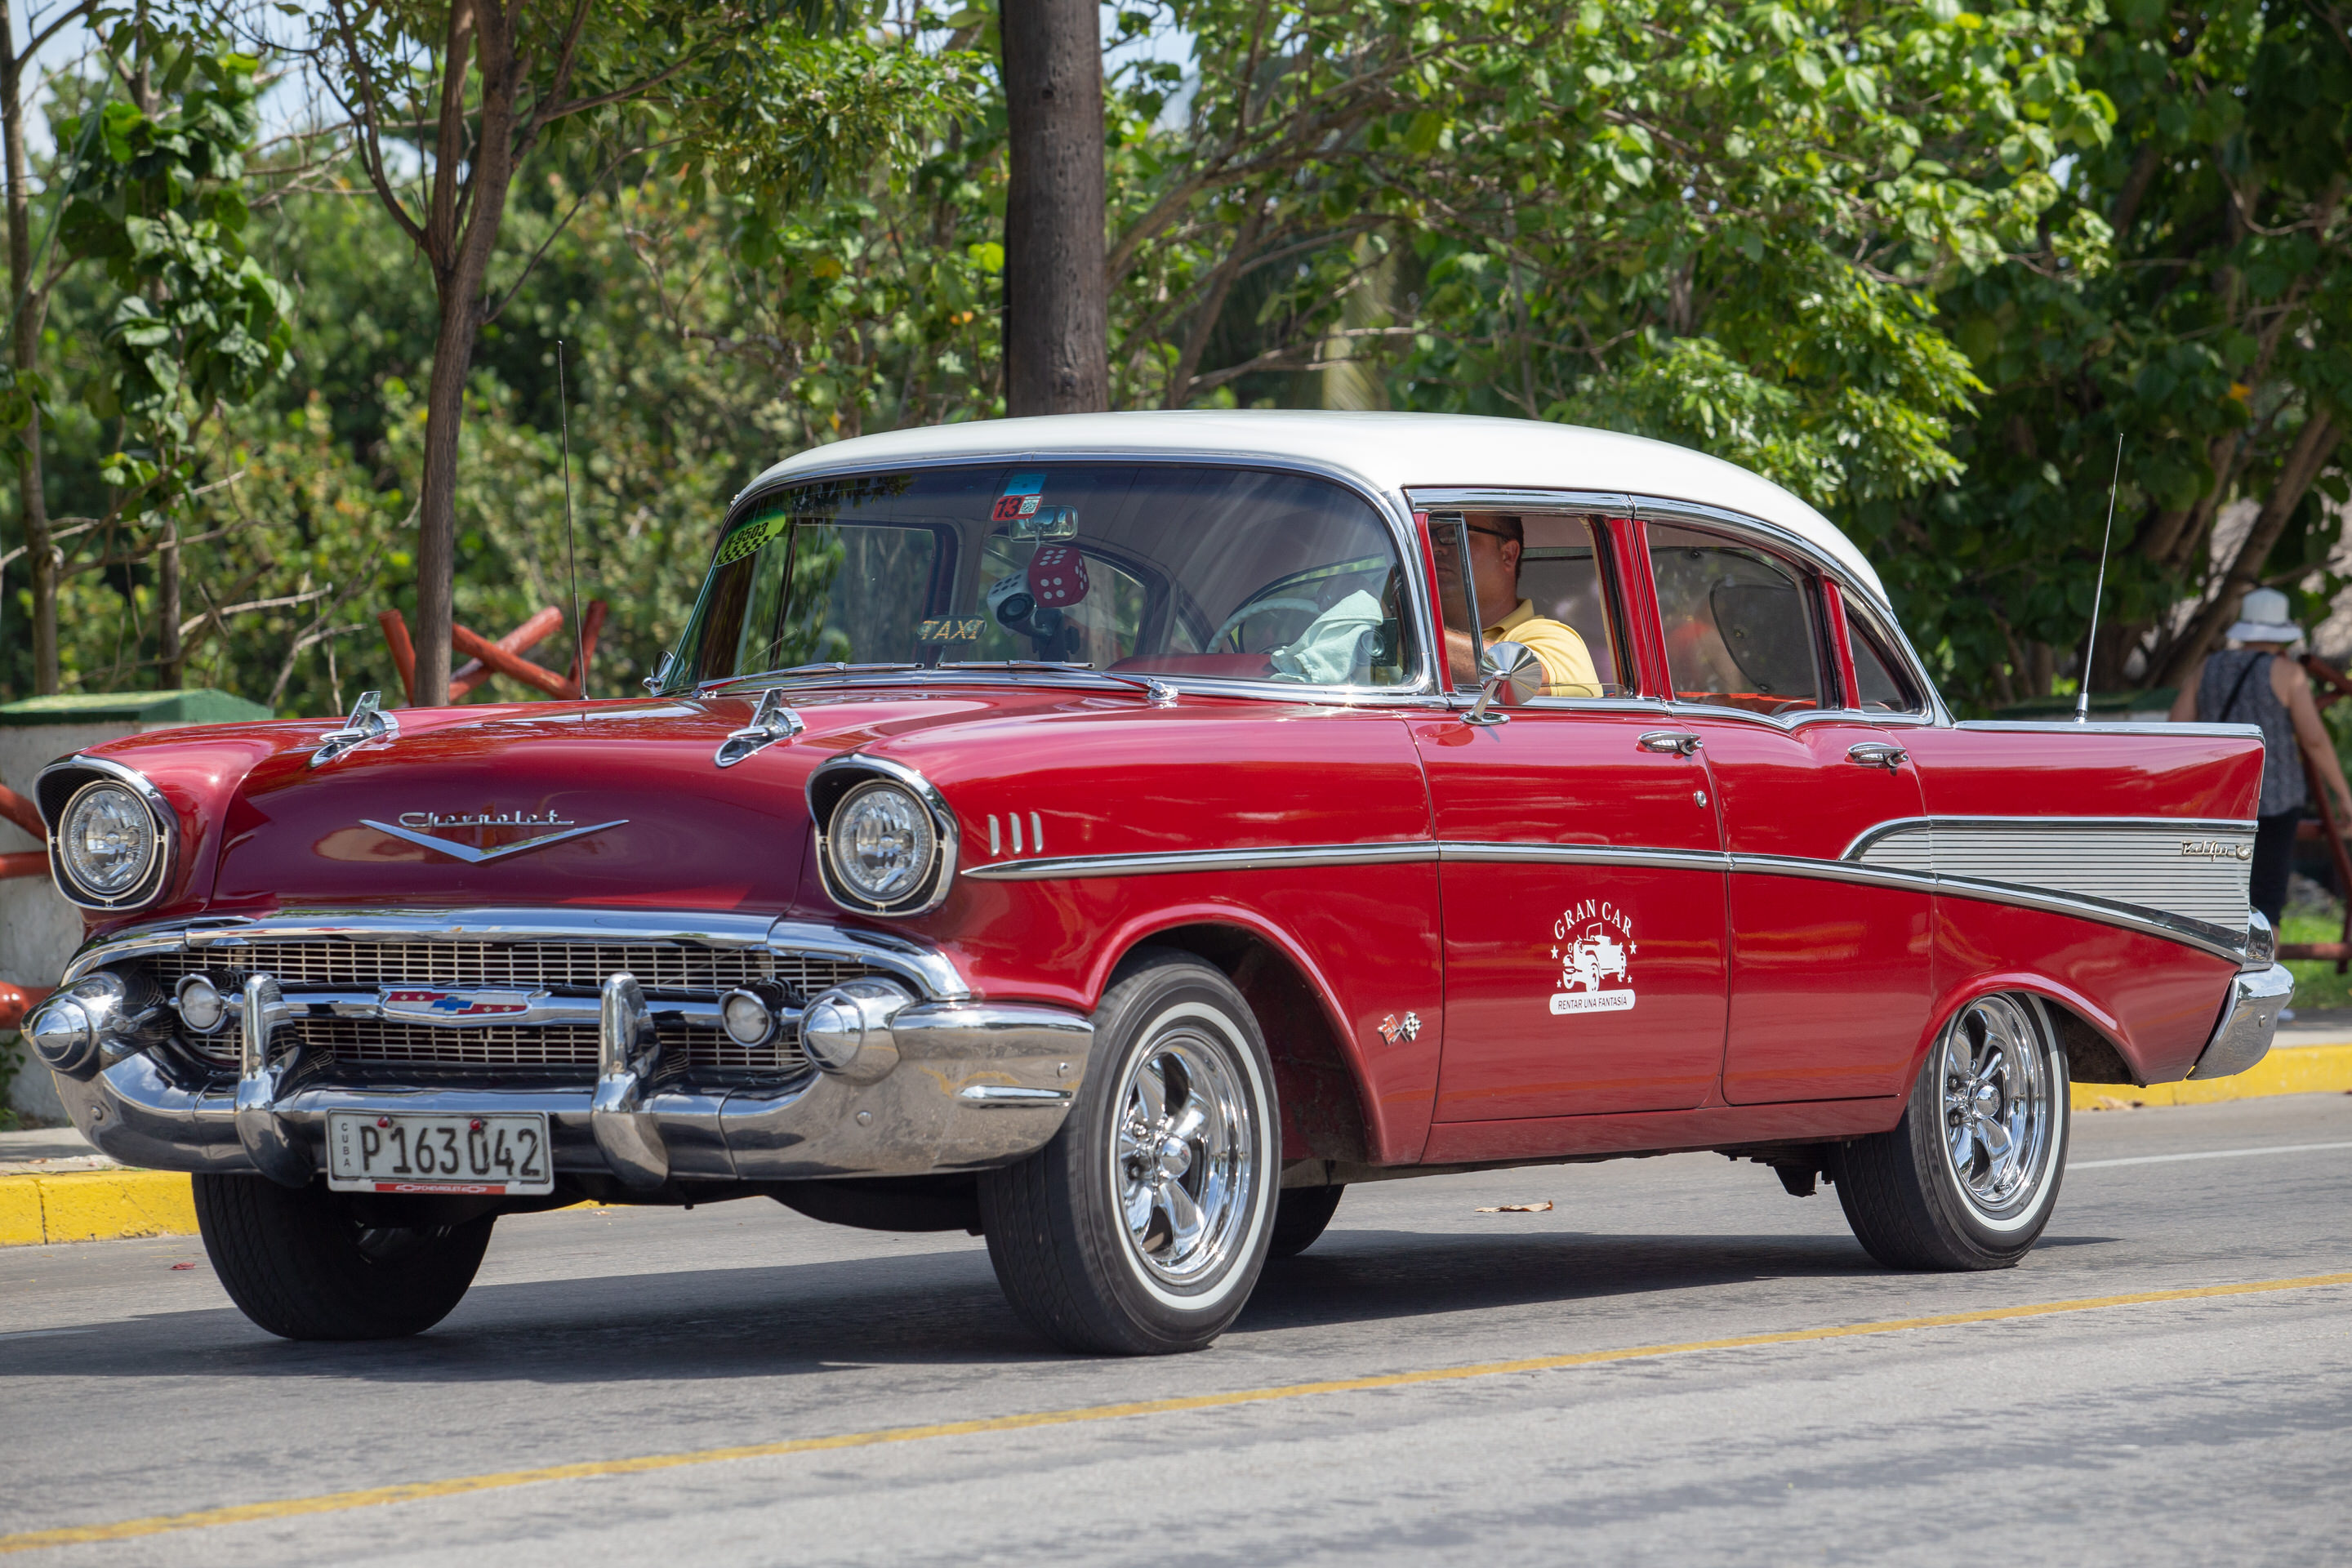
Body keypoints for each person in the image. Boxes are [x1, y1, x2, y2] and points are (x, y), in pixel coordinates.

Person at [2168, 586, 2352, 933]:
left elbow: (2177, 730)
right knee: (2266, 901)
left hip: (2220, 802)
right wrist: (2343, 793)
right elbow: (2313, 739)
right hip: (2275, 801)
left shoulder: (2208, 667)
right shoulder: (2287, 673)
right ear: (2281, 633)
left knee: (2218, 901)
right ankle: (2259, 983)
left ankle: (2219, 982)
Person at [1437, 514, 1601, 697]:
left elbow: (1524, 679)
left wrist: (1411, 638)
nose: (1434, 547)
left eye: (1453, 534)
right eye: (1425, 538)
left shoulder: (1553, 637)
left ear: (1508, 555)